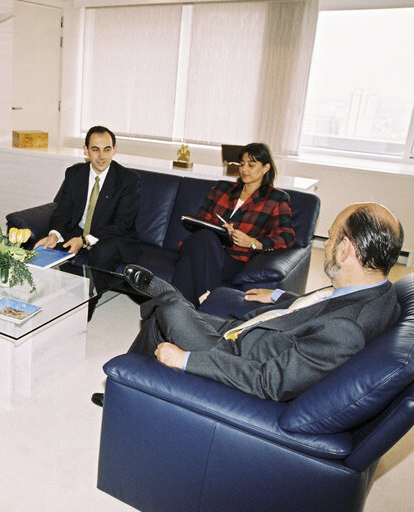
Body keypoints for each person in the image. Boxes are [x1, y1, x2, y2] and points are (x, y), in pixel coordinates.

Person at [92, 202, 403, 405]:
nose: (327, 243)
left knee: (169, 306)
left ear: (346, 249)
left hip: (236, 355)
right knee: (163, 317)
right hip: (253, 333)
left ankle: (162, 295)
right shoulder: (374, 292)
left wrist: (185, 360)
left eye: (331, 237)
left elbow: (269, 382)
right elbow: (325, 307)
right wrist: (282, 297)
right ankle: (123, 390)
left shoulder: (346, 330)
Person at [172, 143, 295, 307]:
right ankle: (207, 302)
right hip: (204, 245)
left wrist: (252, 242)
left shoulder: (276, 198)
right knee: (204, 237)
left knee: (188, 261)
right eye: (242, 164)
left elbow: (287, 237)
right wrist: (220, 231)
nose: (244, 169)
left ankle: (174, 308)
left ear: (266, 168)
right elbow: (201, 219)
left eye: (251, 165)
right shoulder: (223, 188)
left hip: (234, 258)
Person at [34, 125, 140, 272]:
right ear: (86, 150)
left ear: (115, 149)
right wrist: (54, 235)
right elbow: (63, 211)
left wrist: (84, 240)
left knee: (103, 253)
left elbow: (122, 224)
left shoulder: (128, 180)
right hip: (79, 231)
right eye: (95, 149)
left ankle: (91, 293)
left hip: (111, 235)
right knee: (41, 243)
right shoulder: (74, 174)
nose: (102, 156)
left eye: (107, 149)